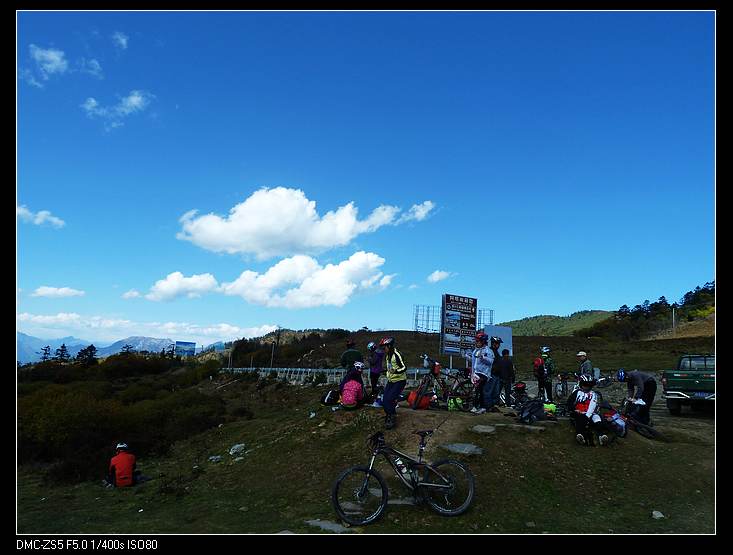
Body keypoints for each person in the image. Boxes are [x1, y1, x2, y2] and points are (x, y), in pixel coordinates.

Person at [566, 375, 609, 446]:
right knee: (580, 419)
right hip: (578, 412)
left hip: (590, 413)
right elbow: (569, 403)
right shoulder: (577, 392)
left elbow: (592, 406)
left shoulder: (593, 394)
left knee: (597, 419)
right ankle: (580, 435)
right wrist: (574, 409)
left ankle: (601, 436)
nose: (587, 387)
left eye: (589, 385)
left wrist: (587, 416)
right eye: (585, 385)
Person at [464, 331, 494, 414]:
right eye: (476, 341)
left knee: (480, 390)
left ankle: (482, 407)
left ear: (483, 342)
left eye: (478, 341)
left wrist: (483, 358)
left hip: (484, 373)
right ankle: (476, 406)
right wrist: (467, 357)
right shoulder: (476, 350)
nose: (476, 343)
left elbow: (491, 361)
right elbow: (474, 361)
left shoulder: (488, 351)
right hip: (476, 372)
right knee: (478, 390)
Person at [380, 337, 407, 429]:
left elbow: (404, 367)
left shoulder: (396, 355)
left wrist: (396, 371)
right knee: (384, 400)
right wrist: (385, 371)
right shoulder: (388, 356)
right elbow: (390, 368)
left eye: (384, 347)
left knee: (389, 399)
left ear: (389, 346)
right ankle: (389, 414)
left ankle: (392, 417)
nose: (383, 349)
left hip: (399, 381)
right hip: (391, 381)